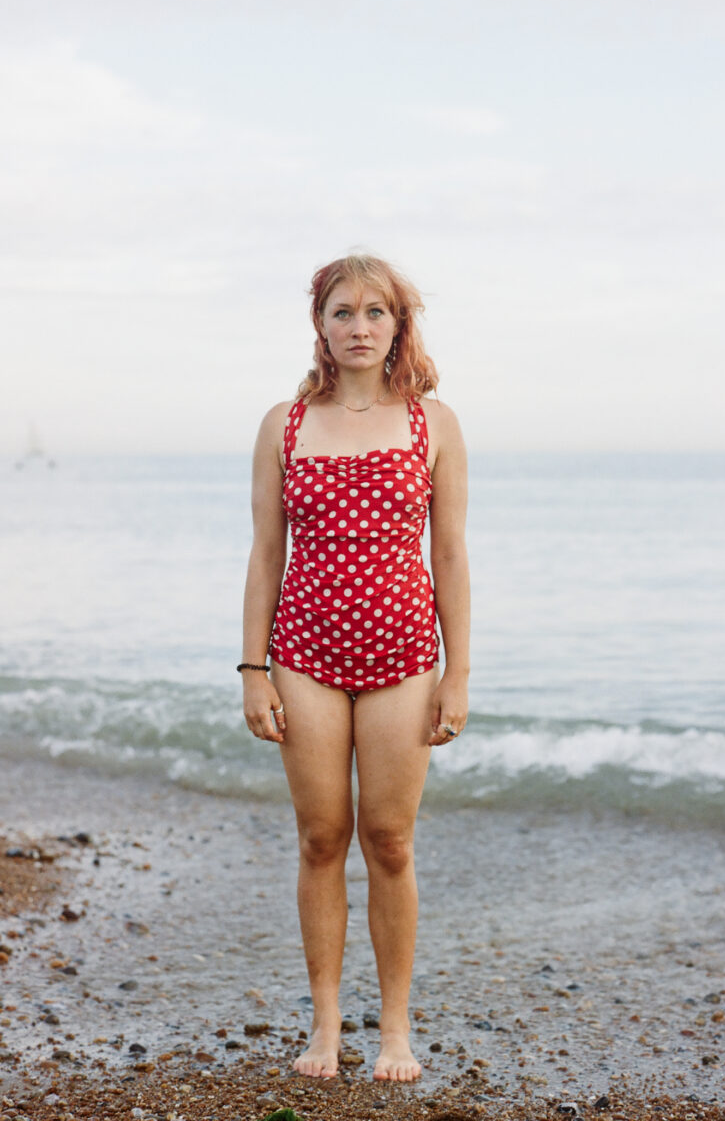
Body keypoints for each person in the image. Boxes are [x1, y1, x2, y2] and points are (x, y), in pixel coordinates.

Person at [240, 253, 470, 1082]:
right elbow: (267, 554)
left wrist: (459, 672)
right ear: (321, 326)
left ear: (398, 326)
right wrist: (252, 668)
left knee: (391, 840)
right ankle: (326, 1029)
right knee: (320, 836)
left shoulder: (432, 424)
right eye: (343, 312)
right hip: (303, 652)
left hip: (405, 657)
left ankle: (396, 1032)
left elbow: (449, 554)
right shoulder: (284, 424)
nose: (360, 327)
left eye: (376, 313)